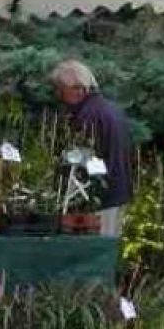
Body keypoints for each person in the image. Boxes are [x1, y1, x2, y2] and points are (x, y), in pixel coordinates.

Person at [51, 59, 133, 237]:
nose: (58, 94)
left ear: (75, 88)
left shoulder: (87, 115)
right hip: (118, 191)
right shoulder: (112, 109)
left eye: (60, 88)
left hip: (98, 198)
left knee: (94, 249)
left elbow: (83, 159)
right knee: (109, 249)